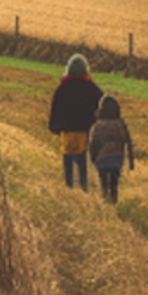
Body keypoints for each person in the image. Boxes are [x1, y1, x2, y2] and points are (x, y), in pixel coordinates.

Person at [49, 53, 104, 192]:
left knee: (67, 157)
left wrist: (54, 127)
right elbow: (101, 106)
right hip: (84, 130)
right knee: (82, 160)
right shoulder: (92, 89)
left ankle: (69, 186)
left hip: (67, 130)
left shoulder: (62, 88)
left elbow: (55, 108)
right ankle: (84, 187)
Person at [89, 94, 135, 204]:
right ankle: (114, 201)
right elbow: (128, 142)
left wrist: (93, 158)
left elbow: (93, 144)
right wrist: (131, 161)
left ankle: (106, 202)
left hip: (102, 159)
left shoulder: (98, 125)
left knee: (104, 183)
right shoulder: (120, 123)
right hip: (117, 159)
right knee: (114, 183)